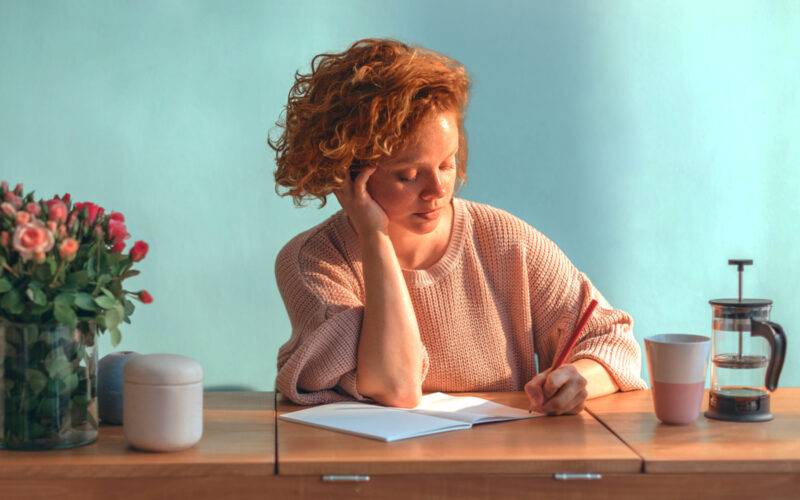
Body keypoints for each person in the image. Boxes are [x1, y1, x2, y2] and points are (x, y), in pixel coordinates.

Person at [269, 38, 646, 414]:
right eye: (409, 175)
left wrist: (580, 379)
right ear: (348, 174)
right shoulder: (314, 262)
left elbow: (612, 340)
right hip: (379, 472)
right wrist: (374, 236)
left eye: (447, 164)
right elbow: (396, 387)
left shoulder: (505, 241)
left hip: (501, 466)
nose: (437, 190)